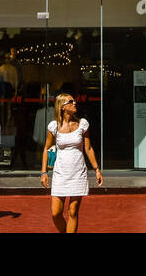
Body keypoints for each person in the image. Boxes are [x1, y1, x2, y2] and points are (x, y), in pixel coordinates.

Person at [41, 92, 103, 233]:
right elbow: (46, 149)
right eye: (71, 101)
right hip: (60, 174)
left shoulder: (82, 124)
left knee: (73, 212)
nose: (75, 103)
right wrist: (44, 172)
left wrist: (97, 169)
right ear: (62, 107)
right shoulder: (53, 127)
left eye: (74, 101)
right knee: (55, 213)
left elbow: (88, 148)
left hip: (78, 173)